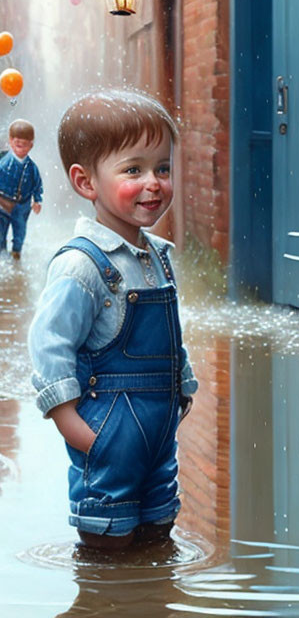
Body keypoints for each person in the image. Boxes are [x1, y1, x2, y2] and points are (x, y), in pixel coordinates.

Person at [28, 89, 197, 550]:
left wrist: (183, 386)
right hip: (107, 435)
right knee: (107, 544)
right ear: (86, 183)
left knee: (159, 533)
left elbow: (171, 337)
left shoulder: (159, 256)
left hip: (158, 435)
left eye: (163, 167)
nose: (154, 182)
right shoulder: (81, 265)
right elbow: (49, 345)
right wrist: (73, 425)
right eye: (133, 169)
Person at [0, 119, 43, 259]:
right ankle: (2, 254)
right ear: (11, 141)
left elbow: (37, 184)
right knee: (0, 231)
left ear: (31, 145)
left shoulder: (32, 167)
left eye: (24, 146)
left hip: (22, 205)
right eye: (17, 144)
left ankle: (16, 252)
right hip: (2, 203)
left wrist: (37, 200)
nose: (20, 149)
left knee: (20, 232)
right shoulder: (3, 162)